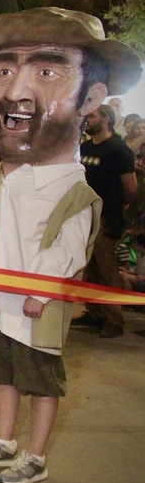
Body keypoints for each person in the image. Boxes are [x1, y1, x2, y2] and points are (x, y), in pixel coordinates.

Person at [0, 6, 141, 483]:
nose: (15, 92)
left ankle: (36, 455)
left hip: (36, 306)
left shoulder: (77, 191)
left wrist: (41, 293)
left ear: (92, 98)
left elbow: (67, 252)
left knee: (41, 379)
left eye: (46, 70)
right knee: (2, 372)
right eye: (3, 69)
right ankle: (5, 440)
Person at [76, 102, 138, 337]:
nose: (87, 120)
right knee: (89, 268)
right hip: (85, 215)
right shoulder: (86, 147)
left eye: (91, 116)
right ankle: (94, 313)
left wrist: (117, 212)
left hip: (107, 217)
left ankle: (114, 319)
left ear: (106, 119)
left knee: (106, 269)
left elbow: (130, 189)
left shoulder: (118, 149)